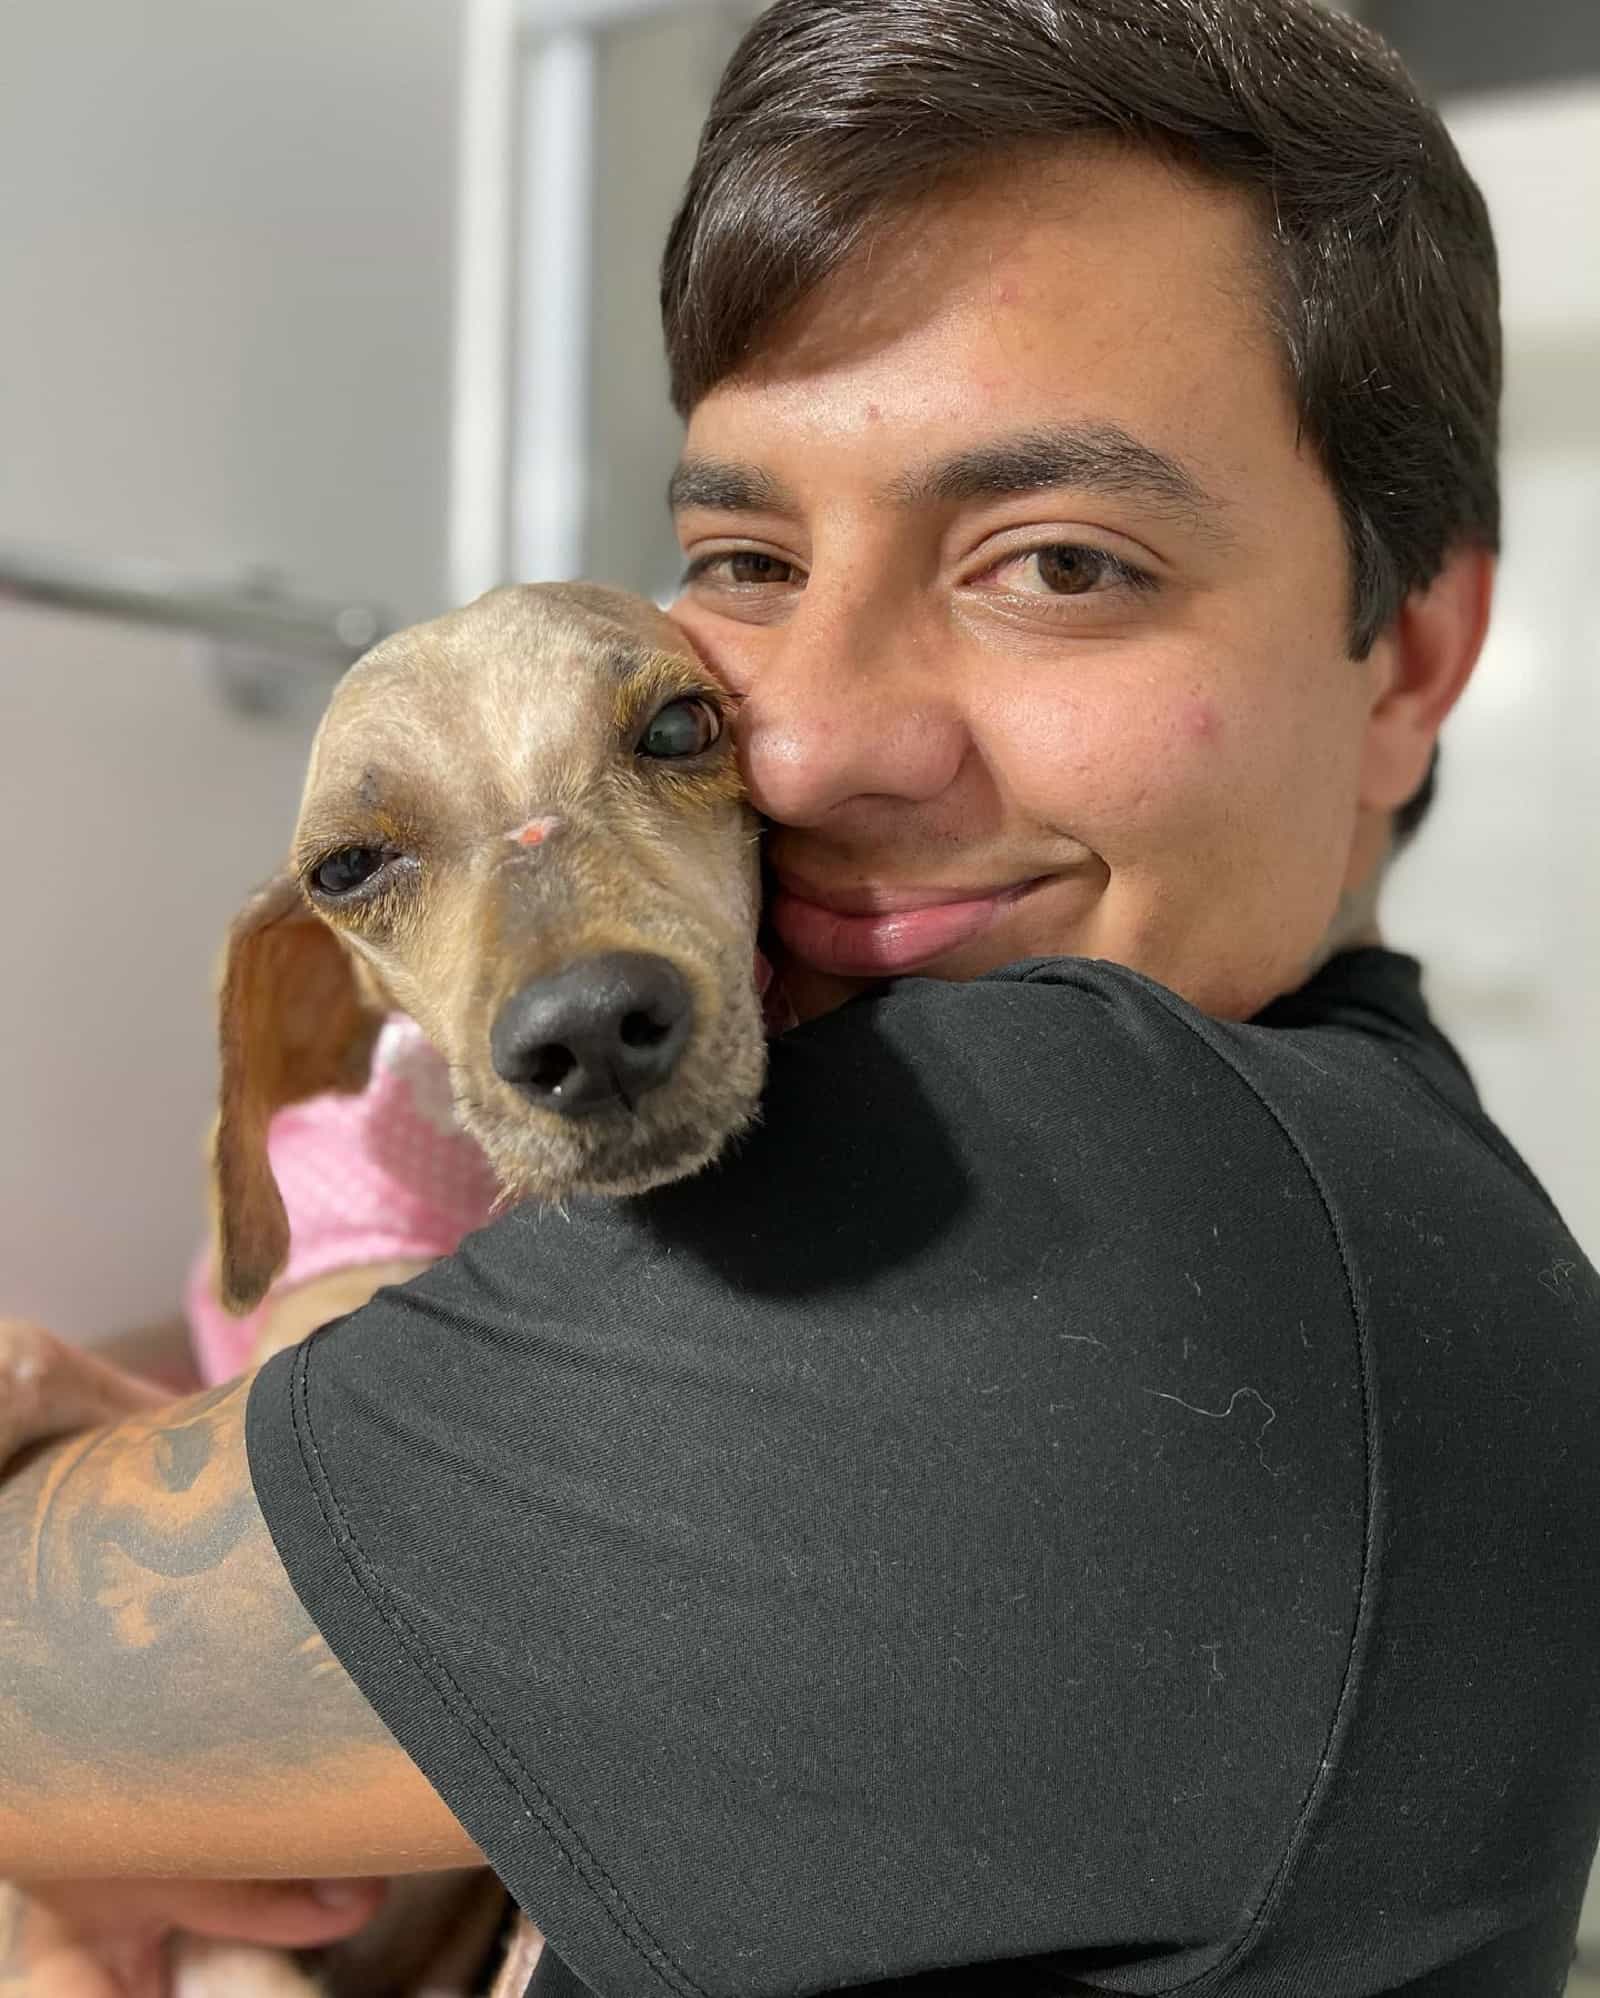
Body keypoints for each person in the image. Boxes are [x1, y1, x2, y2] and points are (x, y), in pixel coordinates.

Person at [4, 0, 1599, 1992]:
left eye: (1058, 565)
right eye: (743, 558)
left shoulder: (1105, 1193)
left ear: (1409, 658)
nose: (812, 746)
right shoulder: (1400, 1199)